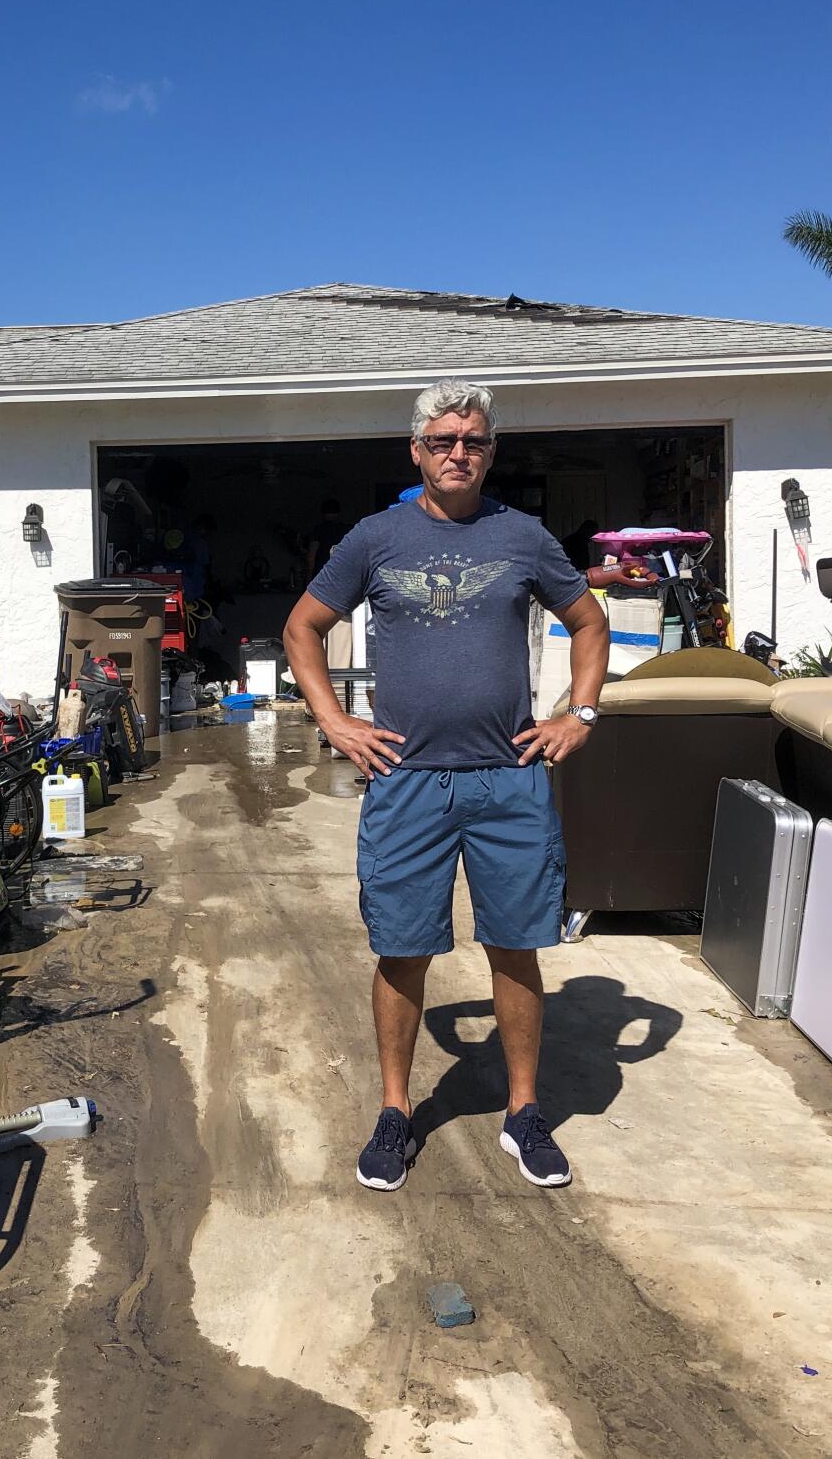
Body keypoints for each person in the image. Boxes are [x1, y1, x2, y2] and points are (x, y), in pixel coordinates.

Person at [283, 379, 610, 1193]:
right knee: (401, 950)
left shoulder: (523, 536)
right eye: (442, 440)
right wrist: (337, 723)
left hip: (510, 778)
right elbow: (303, 629)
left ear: (491, 450)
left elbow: (590, 622)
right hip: (407, 781)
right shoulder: (376, 538)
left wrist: (582, 713)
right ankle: (395, 1112)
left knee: (517, 945)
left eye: (472, 440)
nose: (458, 452)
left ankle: (523, 1111)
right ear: (417, 450)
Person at [307, 497, 355, 670]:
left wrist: (309, 579)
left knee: (323, 631)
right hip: (348, 588)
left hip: (323, 584)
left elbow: (311, 556)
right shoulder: (348, 529)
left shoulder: (318, 530)